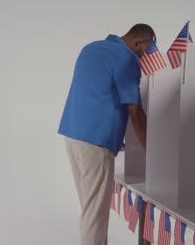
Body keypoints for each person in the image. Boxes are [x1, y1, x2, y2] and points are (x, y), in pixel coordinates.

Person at [58, 24, 153, 245]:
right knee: (94, 215)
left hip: (72, 133)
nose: (143, 57)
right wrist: (153, 156)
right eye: (144, 51)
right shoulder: (127, 60)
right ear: (139, 43)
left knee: (91, 210)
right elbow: (136, 114)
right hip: (96, 141)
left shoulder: (89, 48)